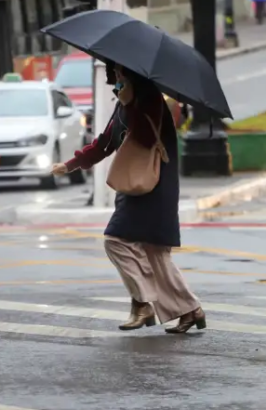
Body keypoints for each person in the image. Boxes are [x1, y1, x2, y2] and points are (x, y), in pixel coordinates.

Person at [51, 64, 206, 334]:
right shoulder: (124, 100)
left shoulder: (150, 100)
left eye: (121, 72)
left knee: (116, 241)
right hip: (132, 188)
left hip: (155, 186)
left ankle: (143, 303)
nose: (116, 77)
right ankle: (190, 310)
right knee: (155, 254)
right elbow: (106, 142)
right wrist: (72, 164)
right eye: (115, 72)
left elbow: (145, 138)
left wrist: (131, 101)